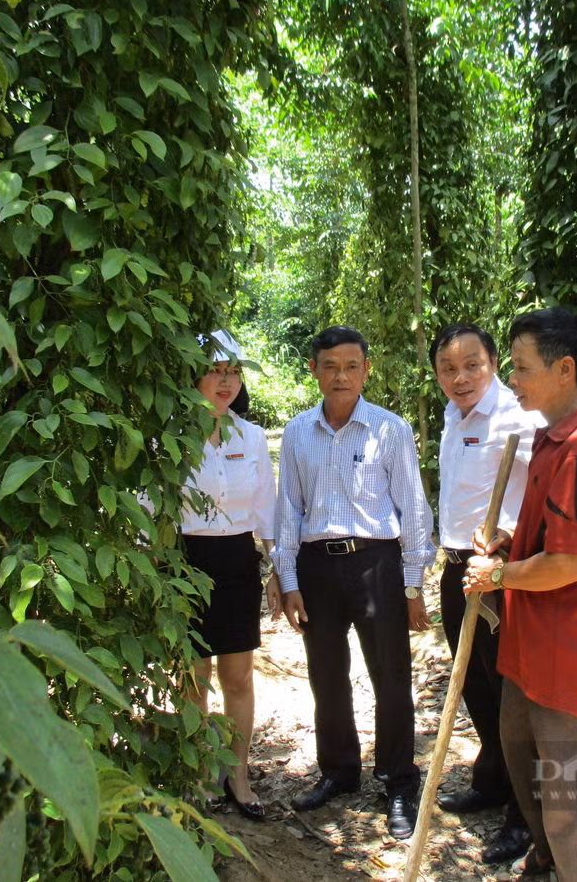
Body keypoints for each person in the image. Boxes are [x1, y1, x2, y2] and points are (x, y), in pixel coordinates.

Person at [463, 307, 577, 881]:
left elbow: (572, 562)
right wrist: (511, 540)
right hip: (529, 648)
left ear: (565, 369)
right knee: (525, 759)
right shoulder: (551, 439)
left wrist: (499, 577)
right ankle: (548, 856)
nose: (513, 380)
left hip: (564, 655)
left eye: (522, 368)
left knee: (576, 792)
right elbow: (554, 537)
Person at [274, 325, 435, 840]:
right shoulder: (299, 432)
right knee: (326, 674)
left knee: (390, 676)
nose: (340, 376)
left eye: (350, 366)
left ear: (367, 370)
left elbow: (412, 509)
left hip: (377, 565)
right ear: (314, 370)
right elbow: (288, 510)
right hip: (317, 566)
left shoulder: (390, 429)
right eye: (329, 366)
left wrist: (413, 584)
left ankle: (397, 781)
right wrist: (288, 577)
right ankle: (339, 771)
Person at [429, 322, 543, 865]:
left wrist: (508, 542)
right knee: (472, 681)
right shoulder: (453, 417)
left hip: (497, 572)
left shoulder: (517, 417)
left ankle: (524, 816)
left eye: (472, 364)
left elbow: (541, 493)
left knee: (507, 694)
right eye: (448, 368)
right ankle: (493, 781)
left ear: (493, 363)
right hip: (455, 567)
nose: (461, 377)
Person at [175, 330, 280, 821]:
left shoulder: (252, 436)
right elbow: (151, 509)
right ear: (193, 373)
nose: (226, 382)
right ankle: (199, 774)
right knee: (193, 675)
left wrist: (278, 570)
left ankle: (237, 775)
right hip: (183, 561)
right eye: (215, 370)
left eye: (234, 372)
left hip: (238, 562)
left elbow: (265, 512)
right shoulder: (167, 434)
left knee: (237, 675)